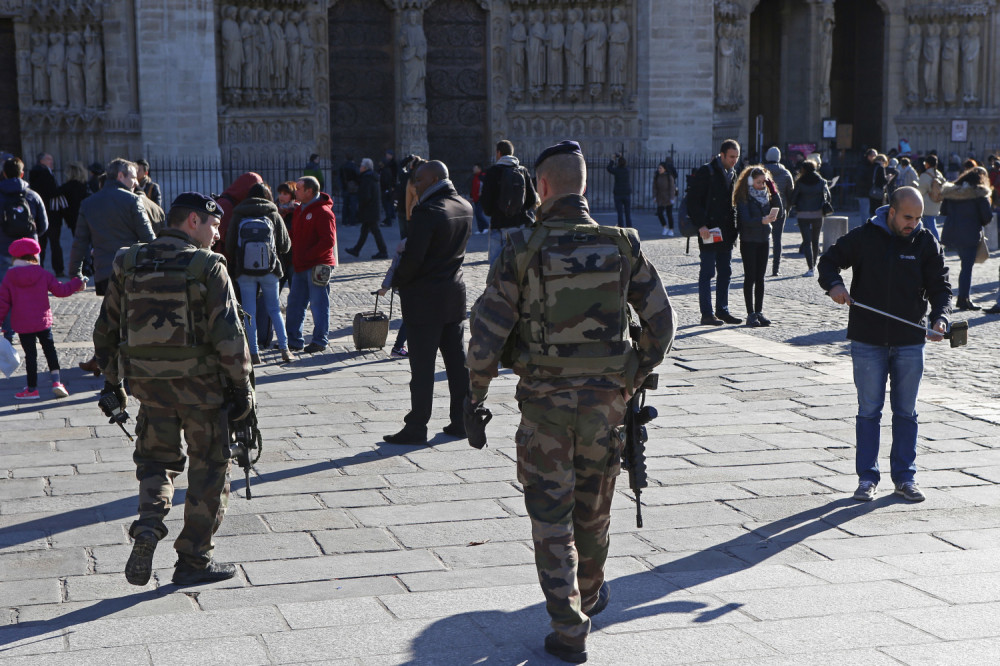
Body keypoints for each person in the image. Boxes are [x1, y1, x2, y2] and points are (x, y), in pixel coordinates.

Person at [466, 140, 676, 664]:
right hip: (607, 408)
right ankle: (590, 593)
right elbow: (662, 323)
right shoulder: (622, 244)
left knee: (550, 516)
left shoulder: (521, 247)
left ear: (541, 187)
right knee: (594, 511)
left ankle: (568, 626)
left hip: (545, 410)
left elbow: (487, 334)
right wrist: (631, 376)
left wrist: (475, 394)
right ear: (583, 185)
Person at [93, 192, 254, 587]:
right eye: (214, 225)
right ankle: (193, 560)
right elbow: (230, 337)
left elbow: (106, 328)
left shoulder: (128, 261)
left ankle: (149, 526)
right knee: (210, 469)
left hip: (150, 388)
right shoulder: (208, 266)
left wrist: (112, 383)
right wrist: (242, 391)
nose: (218, 234)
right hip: (203, 391)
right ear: (193, 221)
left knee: (155, 462)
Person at [819, 187, 950, 504]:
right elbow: (828, 262)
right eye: (907, 217)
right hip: (868, 339)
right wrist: (834, 285)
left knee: (906, 412)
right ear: (891, 212)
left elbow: (940, 286)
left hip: (910, 341)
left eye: (918, 218)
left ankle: (905, 477)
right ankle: (867, 478)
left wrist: (940, 318)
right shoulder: (865, 236)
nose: (913, 224)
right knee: (869, 411)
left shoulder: (925, 241)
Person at [384, 160, 472, 445]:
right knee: (457, 363)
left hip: (424, 300)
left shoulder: (427, 211)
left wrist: (397, 280)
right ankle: (461, 421)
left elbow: (413, 259)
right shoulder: (464, 206)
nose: (415, 186)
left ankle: (416, 426)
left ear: (434, 179)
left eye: (419, 180)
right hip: (453, 295)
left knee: (422, 368)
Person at [68, 158, 154, 375]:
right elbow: (149, 240)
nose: (136, 182)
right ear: (120, 176)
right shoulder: (132, 201)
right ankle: (123, 369)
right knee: (130, 322)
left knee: (112, 319)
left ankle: (106, 366)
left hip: (105, 273)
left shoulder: (89, 203)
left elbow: (79, 243)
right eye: (133, 177)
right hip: (133, 271)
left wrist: (75, 274)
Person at [0, 237, 85, 399]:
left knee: (30, 355)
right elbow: (61, 290)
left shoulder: (10, 276)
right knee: (50, 351)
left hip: (23, 324)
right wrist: (76, 283)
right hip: (42, 322)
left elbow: (3, 302)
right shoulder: (42, 273)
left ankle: (32, 389)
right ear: (34, 256)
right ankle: (56, 382)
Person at [224, 182, 292, 364]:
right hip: (270, 269)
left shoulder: (239, 213)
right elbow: (286, 246)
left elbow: (229, 245)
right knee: (274, 310)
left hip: (244, 271)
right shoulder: (273, 213)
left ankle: (254, 353)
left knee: (249, 312)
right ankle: (285, 349)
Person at [687, 139, 742, 325]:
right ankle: (707, 314)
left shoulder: (733, 173)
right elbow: (693, 201)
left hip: (726, 231)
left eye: (737, 157)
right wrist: (701, 225)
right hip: (709, 230)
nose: (734, 160)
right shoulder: (707, 171)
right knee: (708, 272)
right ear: (722, 155)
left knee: (725, 272)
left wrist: (736, 228)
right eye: (731, 157)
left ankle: (722, 310)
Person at [0, 157, 50, 340]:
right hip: (30, 252)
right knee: (33, 291)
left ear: (4, 174)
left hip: (4, 250)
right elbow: (44, 226)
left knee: (6, 293)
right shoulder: (32, 196)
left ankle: (9, 332)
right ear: (22, 174)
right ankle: (35, 329)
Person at [286, 176, 336, 354]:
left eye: (299, 188)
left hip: (318, 265)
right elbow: (295, 235)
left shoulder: (323, 212)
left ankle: (319, 340)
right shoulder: (299, 210)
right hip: (300, 264)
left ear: (309, 191)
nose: (295, 191)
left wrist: (307, 255)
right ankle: (294, 340)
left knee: (318, 303)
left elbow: (328, 241)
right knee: (295, 303)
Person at [939, 166, 993, 311]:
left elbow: (943, 211)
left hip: (951, 233)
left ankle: (957, 297)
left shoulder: (952, 192)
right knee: (966, 268)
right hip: (970, 234)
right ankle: (963, 299)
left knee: (955, 266)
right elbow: (987, 217)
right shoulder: (979, 194)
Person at [734, 165, 781, 326]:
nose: (761, 185)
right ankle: (750, 313)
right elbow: (745, 220)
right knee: (750, 276)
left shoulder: (766, 195)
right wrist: (762, 220)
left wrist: (772, 189)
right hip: (749, 240)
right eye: (758, 182)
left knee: (760, 277)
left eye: (763, 182)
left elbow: (780, 211)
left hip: (763, 239)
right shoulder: (744, 197)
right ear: (750, 181)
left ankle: (759, 311)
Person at [480, 140, 538, 265]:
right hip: (520, 224)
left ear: (498, 153)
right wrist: (520, 209)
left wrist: (494, 212)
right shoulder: (523, 171)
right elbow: (532, 199)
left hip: (499, 224)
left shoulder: (492, 172)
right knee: (520, 264)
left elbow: (486, 202)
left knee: (496, 266)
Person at [790, 159, 832, 278]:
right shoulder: (822, 181)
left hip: (802, 214)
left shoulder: (800, 182)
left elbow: (793, 199)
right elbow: (828, 197)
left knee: (806, 241)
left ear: (803, 169)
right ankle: (815, 264)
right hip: (817, 214)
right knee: (815, 240)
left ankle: (810, 268)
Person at [345, 158, 388, 259]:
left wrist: (360, 205)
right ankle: (356, 250)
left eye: (361, 166)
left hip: (369, 210)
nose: (360, 167)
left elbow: (366, 196)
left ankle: (383, 251)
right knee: (365, 231)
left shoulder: (367, 178)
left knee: (375, 231)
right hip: (371, 209)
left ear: (365, 167)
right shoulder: (370, 177)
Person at [763, 147, 794, 276]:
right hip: (780, 209)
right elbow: (790, 194)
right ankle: (775, 269)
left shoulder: (760, 171)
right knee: (777, 239)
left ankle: (759, 267)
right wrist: (787, 208)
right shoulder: (786, 173)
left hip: (763, 209)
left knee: (762, 239)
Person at [918, 155, 946, 241]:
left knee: (930, 226)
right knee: (930, 224)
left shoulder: (925, 175)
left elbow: (920, 191)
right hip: (937, 201)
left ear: (927, 164)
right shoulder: (938, 174)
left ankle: (936, 242)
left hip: (927, 203)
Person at [606, 153, 632, 227]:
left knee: (620, 213)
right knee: (627, 213)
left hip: (618, 194)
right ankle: (629, 227)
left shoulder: (617, 170)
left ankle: (621, 226)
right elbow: (626, 165)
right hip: (626, 193)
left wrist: (612, 160)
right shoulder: (627, 170)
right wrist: (621, 157)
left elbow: (609, 168)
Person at [653, 161, 676, 236]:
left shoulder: (669, 176)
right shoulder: (657, 176)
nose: (659, 169)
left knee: (669, 214)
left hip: (668, 197)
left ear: (665, 169)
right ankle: (665, 227)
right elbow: (654, 187)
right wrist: (654, 196)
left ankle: (671, 229)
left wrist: (672, 198)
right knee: (659, 213)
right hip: (660, 197)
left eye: (661, 168)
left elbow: (672, 187)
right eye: (658, 168)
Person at [338, 156, 360, 226]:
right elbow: (358, 177)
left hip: (345, 188)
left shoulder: (342, 167)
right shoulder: (355, 167)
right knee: (353, 205)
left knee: (345, 205)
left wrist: (342, 186)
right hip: (353, 189)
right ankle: (352, 221)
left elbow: (339, 178)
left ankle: (344, 221)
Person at [470, 163, 489, 234]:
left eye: (475, 168)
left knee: (478, 213)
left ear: (479, 169)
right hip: (476, 198)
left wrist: (483, 193)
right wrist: (471, 197)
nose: (473, 169)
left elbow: (486, 186)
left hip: (482, 198)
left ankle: (486, 226)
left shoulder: (483, 177)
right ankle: (481, 229)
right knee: (477, 213)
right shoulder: (475, 177)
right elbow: (473, 188)